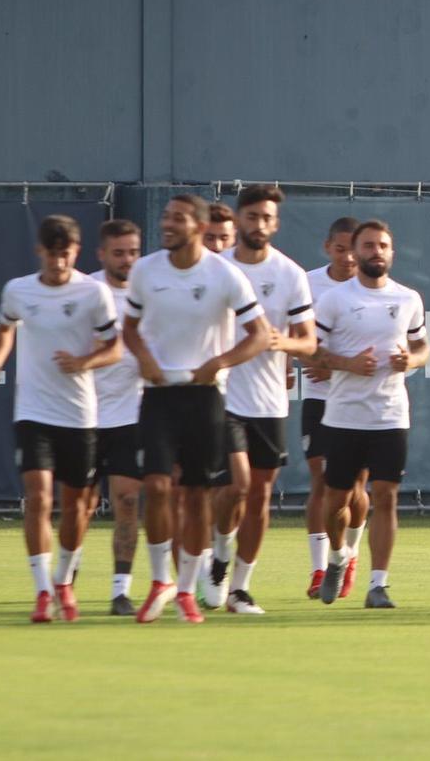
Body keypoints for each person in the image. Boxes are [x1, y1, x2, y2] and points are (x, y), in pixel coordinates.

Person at [121, 194, 269, 624]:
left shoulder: (225, 275)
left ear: (199, 227)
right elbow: (129, 328)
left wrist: (219, 362)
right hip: (160, 395)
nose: (167, 224)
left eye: (177, 218)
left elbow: (259, 335)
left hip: (206, 396)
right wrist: (146, 360)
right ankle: (159, 581)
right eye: (166, 217)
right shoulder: (146, 270)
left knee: (198, 493)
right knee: (157, 485)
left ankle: (187, 589)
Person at [0, 215, 122, 623]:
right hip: (33, 411)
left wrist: (84, 361)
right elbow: (6, 327)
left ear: (75, 253)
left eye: (66, 255)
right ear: (39, 251)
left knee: (77, 507)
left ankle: (64, 579)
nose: (59, 262)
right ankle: (43, 590)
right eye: (52, 254)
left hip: (79, 414)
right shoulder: (18, 290)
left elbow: (114, 348)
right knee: (38, 499)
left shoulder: (94, 293)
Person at [208, 184, 317, 614]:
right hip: (221, 395)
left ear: (275, 223)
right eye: (251, 217)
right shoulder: (216, 269)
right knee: (237, 485)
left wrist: (281, 342)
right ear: (238, 221)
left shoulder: (290, 274)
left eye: (266, 218)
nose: (259, 225)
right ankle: (218, 553)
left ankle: (239, 588)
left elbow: (309, 343)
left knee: (259, 496)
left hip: (270, 401)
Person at [310, 219, 428, 609]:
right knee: (335, 501)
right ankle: (337, 557)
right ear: (354, 252)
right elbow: (314, 351)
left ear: (392, 253)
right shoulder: (335, 300)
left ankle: (379, 584)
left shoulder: (408, 298)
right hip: (343, 415)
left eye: (383, 246)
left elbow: (423, 347)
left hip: (390, 415)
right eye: (368, 245)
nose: (376, 251)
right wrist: (346, 363)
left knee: (385, 496)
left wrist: (410, 359)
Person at [299, 216, 365, 600]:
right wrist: (309, 361)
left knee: (356, 486)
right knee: (322, 481)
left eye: (353, 250)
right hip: (319, 397)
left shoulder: (376, 288)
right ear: (328, 248)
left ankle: (350, 555)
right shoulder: (309, 284)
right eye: (340, 249)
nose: (348, 258)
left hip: (360, 401)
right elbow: (299, 337)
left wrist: (338, 364)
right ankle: (321, 568)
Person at [86, 219, 146, 615]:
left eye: (133, 252)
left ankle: (120, 590)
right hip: (83, 414)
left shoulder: (151, 294)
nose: (127, 260)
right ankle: (64, 583)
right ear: (102, 254)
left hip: (132, 413)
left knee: (127, 500)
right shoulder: (85, 291)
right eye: (119, 252)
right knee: (80, 506)